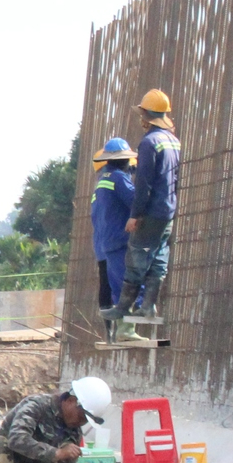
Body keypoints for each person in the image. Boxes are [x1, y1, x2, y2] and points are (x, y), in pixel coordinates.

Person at [101, 89, 180, 338]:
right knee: (158, 259)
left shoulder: (149, 143)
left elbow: (144, 183)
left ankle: (123, 307)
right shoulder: (173, 141)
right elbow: (176, 178)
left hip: (151, 211)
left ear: (146, 115)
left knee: (136, 258)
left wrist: (135, 215)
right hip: (168, 209)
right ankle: (148, 306)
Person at [89, 137, 136, 335]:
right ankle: (123, 329)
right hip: (116, 241)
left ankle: (110, 332)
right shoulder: (117, 178)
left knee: (107, 287)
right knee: (123, 282)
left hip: (102, 244)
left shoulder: (102, 183)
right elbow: (134, 199)